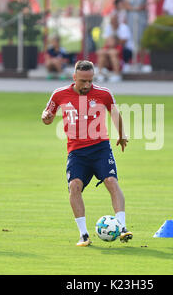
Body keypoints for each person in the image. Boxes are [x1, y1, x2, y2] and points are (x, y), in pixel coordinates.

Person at [41, 60, 133, 246]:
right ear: (74, 77)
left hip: (100, 148)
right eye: (83, 81)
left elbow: (114, 113)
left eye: (90, 81)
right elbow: (47, 115)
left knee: (111, 181)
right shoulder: (59, 94)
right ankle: (84, 235)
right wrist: (46, 117)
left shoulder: (104, 93)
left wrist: (121, 134)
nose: (87, 85)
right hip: (77, 152)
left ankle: (122, 228)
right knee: (74, 186)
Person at [96, 14, 134, 82]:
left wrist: (112, 45)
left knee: (112, 54)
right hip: (109, 57)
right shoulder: (108, 28)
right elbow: (101, 50)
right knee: (102, 54)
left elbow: (123, 42)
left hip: (126, 50)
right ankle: (100, 74)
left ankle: (117, 74)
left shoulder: (123, 28)